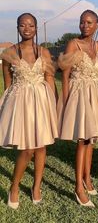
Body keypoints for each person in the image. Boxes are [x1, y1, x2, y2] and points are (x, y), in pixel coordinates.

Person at [57, 9, 98, 207]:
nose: (85, 26)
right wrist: (65, 101)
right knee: (82, 140)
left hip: (96, 95)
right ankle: (78, 187)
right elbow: (65, 74)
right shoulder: (73, 44)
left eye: (89, 22)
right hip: (79, 94)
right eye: (82, 22)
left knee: (91, 140)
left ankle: (87, 178)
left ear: (97, 25)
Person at [0, 13, 58, 209]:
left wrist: (53, 104)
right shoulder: (9, 53)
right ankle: (14, 187)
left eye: (31, 25)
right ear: (17, 27)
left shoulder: (44, 52)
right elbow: (8, 85)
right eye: (22, 25)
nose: (27, 28)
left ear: (36, 29)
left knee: (41, 147)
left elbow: (50, 78)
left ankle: (36, 187)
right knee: (27, 149)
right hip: (21, 104)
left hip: (42, 101)